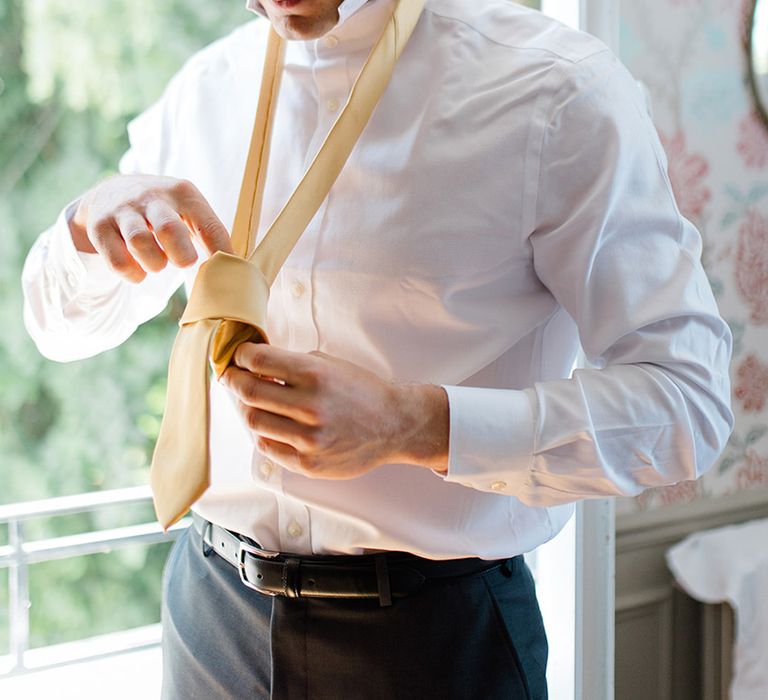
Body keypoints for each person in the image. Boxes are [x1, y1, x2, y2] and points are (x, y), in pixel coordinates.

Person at [21, 0, 734, 698]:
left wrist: (415, 425)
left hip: (432, 643)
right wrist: (86, 232)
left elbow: (687, 406)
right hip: (209, 619)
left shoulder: (554, 91)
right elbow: (59, 330)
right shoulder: (203, 89)